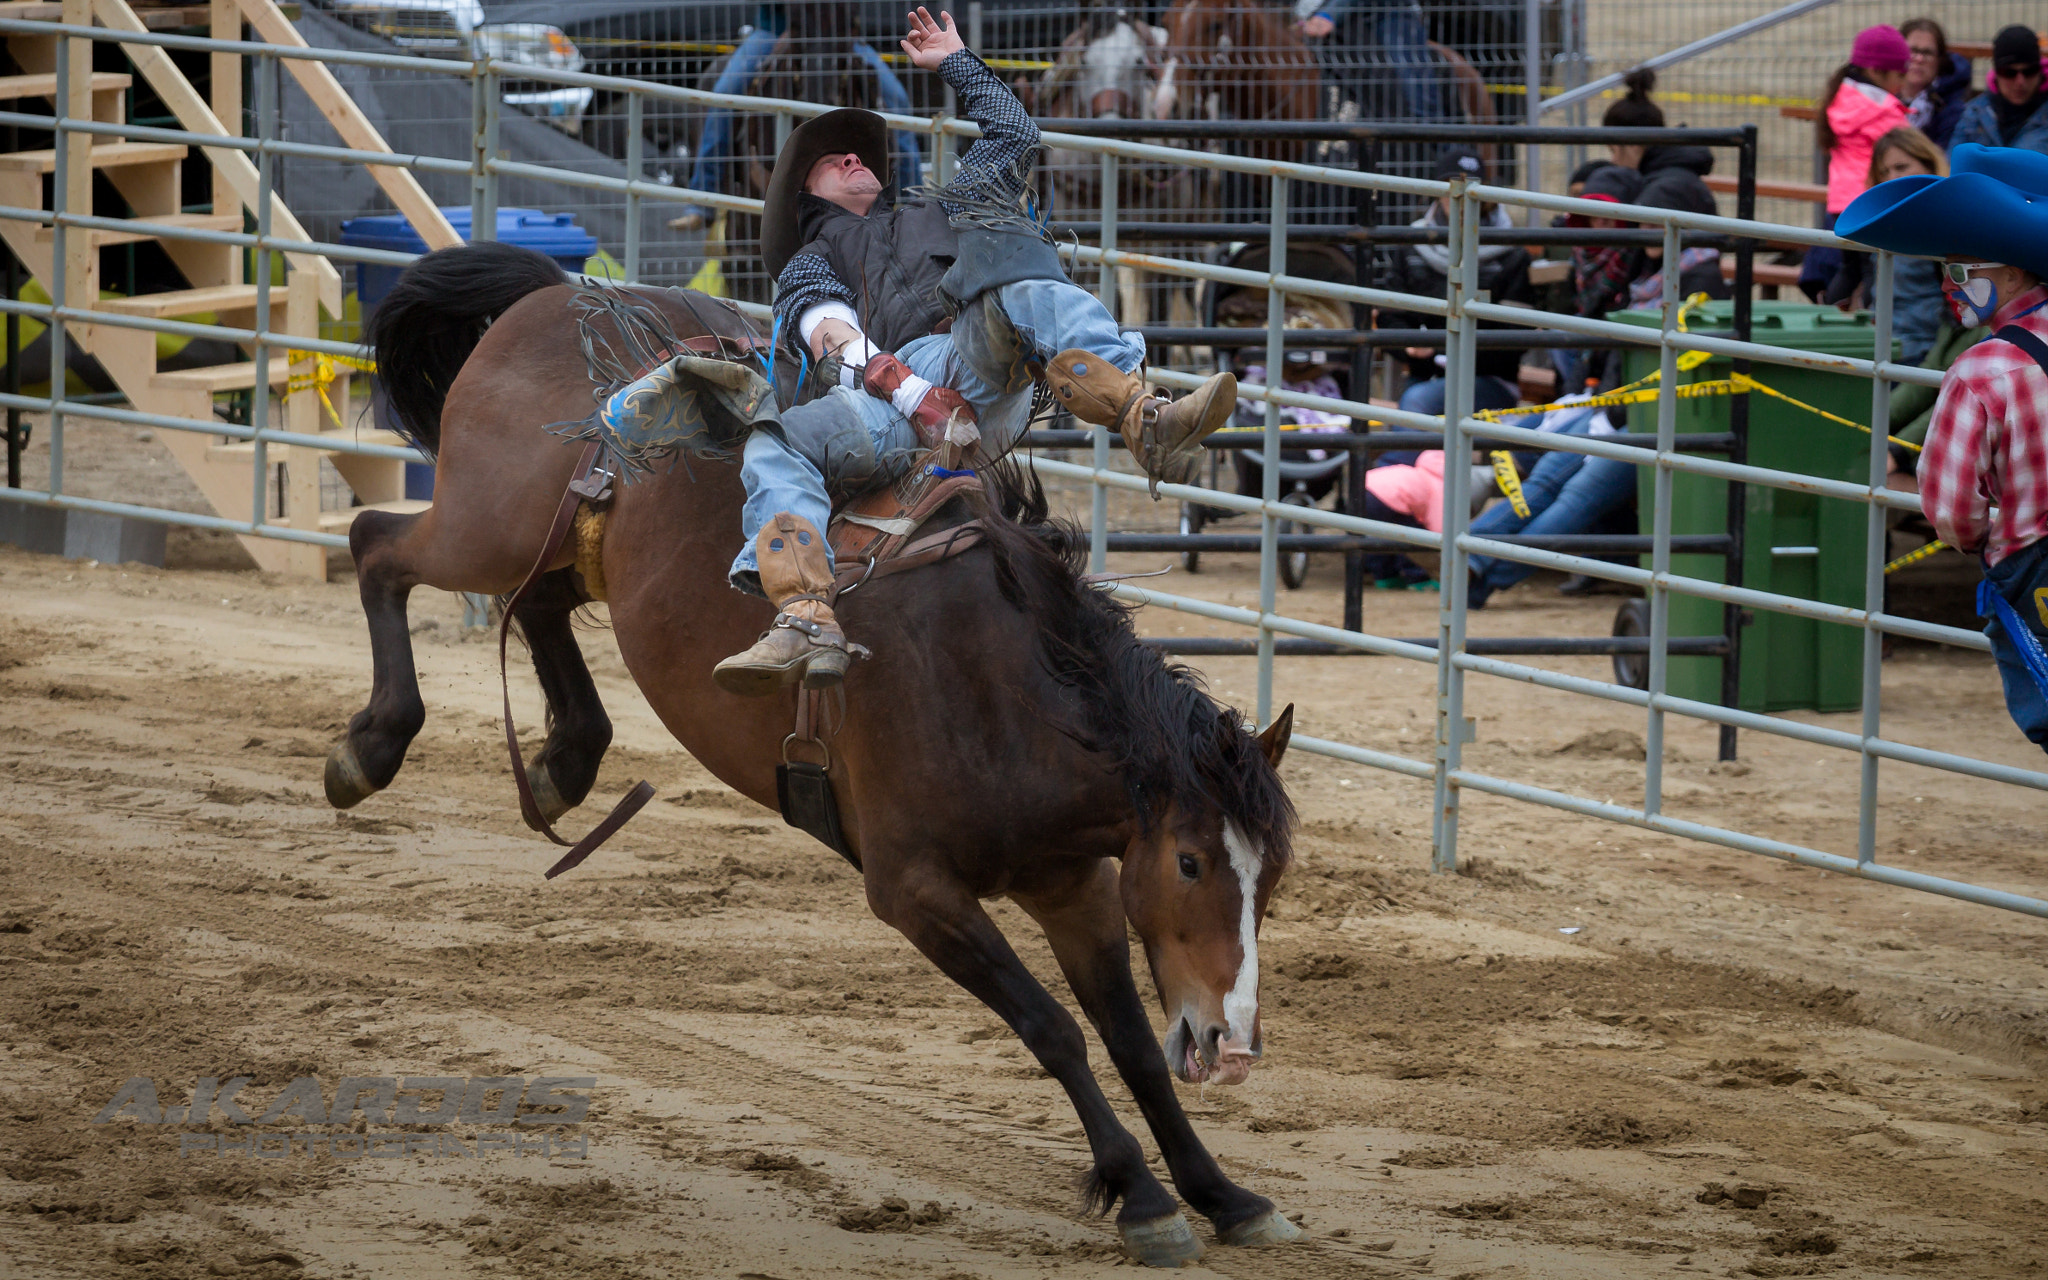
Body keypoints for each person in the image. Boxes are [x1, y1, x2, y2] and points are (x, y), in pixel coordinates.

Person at [711, 8, 1237, 695]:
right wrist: (913, 394)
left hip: (973, 359)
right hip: (889, 402)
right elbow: (833, 339)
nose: (852, 157)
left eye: (858, 153)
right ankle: (806, 614)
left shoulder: (951, 204)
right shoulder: (811, 260)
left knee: (1016, 278)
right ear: (804, 198)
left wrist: (957, 61)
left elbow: (1015, 135)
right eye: (830, 162)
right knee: (771, 440)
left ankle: (1145, 416)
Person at [1837, 143, 2048, 752]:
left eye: (1963, 272)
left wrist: (1988, 536)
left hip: (2031, 571)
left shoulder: (1981, 372)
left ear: (2013, 273)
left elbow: (1953, 514)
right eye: (1946, 272)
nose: (1951, 286)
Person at [673, 4, 923, 232]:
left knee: (897, 101)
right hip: (775, 30)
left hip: (841, 34)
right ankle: (702, 203)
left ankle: (913, 207)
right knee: (725, 94)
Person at [1377, 149, 1536, 449]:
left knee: (1416, 404)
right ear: (1437, 193)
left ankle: (1390, 490)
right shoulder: (1412, 246)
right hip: (1426, 377)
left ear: (1484, 196)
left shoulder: (1512, 255)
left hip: (1489, 381)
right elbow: (1389, 317)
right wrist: (1409, 346)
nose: (1461, 200)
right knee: (1415, 403)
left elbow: (1516, 340)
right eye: (1453, 190)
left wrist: (1436, 343)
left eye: (1470, 190)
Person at [1801, 26, 1911, 302]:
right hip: (1872, 202)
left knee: (1851, 270)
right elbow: (1905, 149)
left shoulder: (1840, 99)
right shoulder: (1883, 111)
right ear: (1876, 71)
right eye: (1900, 73)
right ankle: (1875, 326)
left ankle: (1827, 313)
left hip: (1840, 204)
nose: (1904, 80)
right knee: (1876, 272)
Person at [1823, 127, 1947, 364]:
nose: (1891, 178)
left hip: (1925, 350)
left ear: (1930, 165)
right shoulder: (1878, 223)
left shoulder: (1946, 221)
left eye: (1901, 167)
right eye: (1884, 172)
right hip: (1881, 343)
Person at [1294, 0, 1442, 121]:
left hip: (1387, 12)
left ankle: (1437, 139)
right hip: (1314, 12)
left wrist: (1329, 14)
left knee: (1413, 81)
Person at [1951, 26, 2048, 156]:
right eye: (2009, 73)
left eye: (2029, 72)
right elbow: (1951, 164)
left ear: (2040, 72)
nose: (2020, 82)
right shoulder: (1974, 113)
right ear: (1996, 73)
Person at [1898, 18, 1973, 150]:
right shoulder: (1880, 98)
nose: (1919, 59)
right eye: (1913, 50)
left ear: (1940, 60)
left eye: (1927, 53)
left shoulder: (1952, 108)